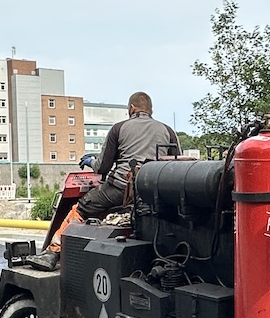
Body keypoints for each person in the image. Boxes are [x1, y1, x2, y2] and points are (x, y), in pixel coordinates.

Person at [26, 91, 180, 270]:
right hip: (153, 193)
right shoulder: (168, 131)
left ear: (131, 108)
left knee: (82, 208)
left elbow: (102, 168)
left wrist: (90, 161)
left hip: (120, 188)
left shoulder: (119, 128)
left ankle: (52, 252)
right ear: (150, 110)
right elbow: (177, 166)